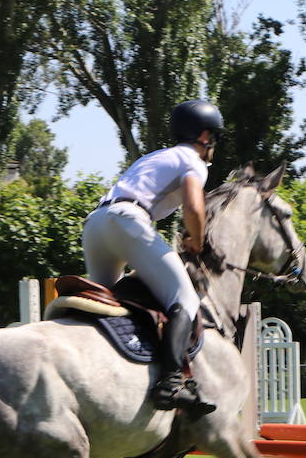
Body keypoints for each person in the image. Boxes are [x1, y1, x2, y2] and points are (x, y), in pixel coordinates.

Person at [82, 99, 223, 418]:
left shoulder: (156, 156)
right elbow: (193, 207)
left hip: (95, 224)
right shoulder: (193, 160)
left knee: (106, 305)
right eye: (214, 137)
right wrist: (197, 241)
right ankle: (172, 382)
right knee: (185, 299)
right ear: (204, 135)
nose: (214, 144)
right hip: (129, 221)